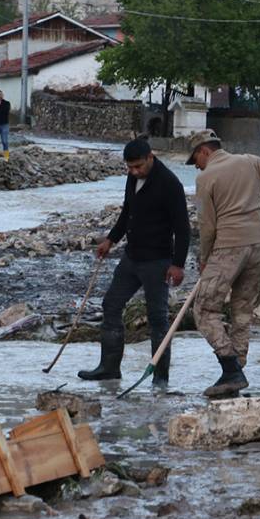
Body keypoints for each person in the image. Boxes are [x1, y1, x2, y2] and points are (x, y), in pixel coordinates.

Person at [188, 129, 260, 396]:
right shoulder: (249, 161)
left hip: (229, 247)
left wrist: (204, 259)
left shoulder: (206, 178)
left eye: (195, 160)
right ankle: (236, 373)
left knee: (203, 310)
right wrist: (257, 182)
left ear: (204, 151)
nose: (196, 166)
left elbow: (207, 226)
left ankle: (230, 367)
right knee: (242, 310)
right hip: (259, 245)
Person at [78, 138, 191, 389]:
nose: (134, 172)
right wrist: (111, 239)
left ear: (150, 157)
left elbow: (183, 228)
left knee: (158, 319)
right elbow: (127, 212)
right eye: (130, 168)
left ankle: (160, 379)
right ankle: (109, 368)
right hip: (131, 257)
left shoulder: (170, 184)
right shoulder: (132, 178)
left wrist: (178, 265)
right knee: (111, 304)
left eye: (138, 166)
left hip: (158, 261)